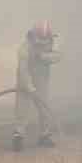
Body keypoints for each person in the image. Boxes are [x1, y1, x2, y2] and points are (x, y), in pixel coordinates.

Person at [12, 20, 60, 151]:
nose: (44, 41)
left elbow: (58, 56)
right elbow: (23, 70)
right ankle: (18, 136)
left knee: (44, 107)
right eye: (41, 38)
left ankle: (45, 136)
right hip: (24, 81)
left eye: (46, 38)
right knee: (22, 108)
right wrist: (29, 87)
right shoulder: (24, 48)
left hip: (42, 80)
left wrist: (43, 56)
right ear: (33, 36)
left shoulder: (53, 41)